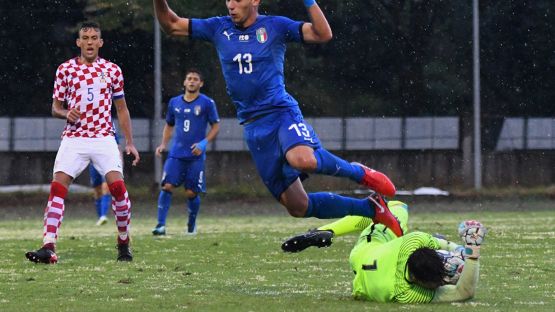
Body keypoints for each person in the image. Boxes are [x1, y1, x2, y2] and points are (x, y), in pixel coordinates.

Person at [152, 0, 402, 236]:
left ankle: (359, 173)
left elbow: (322, 33)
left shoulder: (276, 26)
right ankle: (371, 209)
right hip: (253, 128)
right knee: (298, 206)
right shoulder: (218, 27)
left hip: (281, 113)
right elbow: (171, 24)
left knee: (302, 158)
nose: (231, 4)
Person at [25, 22, 140, 264]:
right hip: (74, 138)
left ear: (100, 42)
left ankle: (123, 242)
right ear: (78, 42)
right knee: (57, 188)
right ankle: (48, 246)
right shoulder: (65, 69)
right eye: (85, 37)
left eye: (94, 37)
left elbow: (122, 109)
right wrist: (65, 113)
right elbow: (55, 107)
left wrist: (129, 142)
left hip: (103, 137)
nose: (89, 42)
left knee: (118, 190)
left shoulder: (112, 70)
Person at [282, 200, 487, 303]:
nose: (440, 283)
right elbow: (464, 292)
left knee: (391, 208)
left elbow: (445, 248)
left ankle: (326, 230)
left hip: (367, 250)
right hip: (360, 282)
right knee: (388, 216)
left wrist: (461, 247)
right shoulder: (405, 294)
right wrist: (471, 251)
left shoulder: (413, 240)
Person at [152, 69, 220, 236]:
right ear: (184, 82)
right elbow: (169, 125)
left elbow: (216, 126)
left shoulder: (207, 103)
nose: (191, 81)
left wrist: (204, 143)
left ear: (201, 84)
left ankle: (191, 224)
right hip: (176, 153)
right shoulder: (174, 102)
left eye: (195, 79)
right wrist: (163, 144)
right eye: (189, 78)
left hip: (195, 155)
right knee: (167, 186)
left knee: (191, 192)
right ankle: (160, 225)